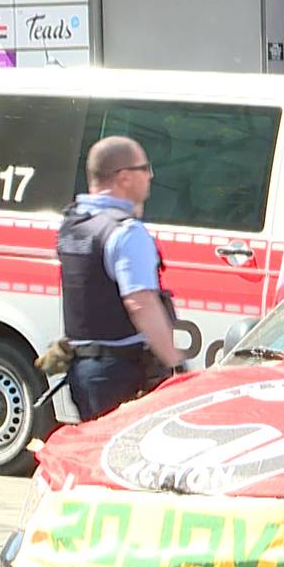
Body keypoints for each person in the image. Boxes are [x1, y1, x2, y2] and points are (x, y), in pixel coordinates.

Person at [56, 136, 185, 421]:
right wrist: (174, 363)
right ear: (124, 177)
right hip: (123, 373)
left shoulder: (74, 224)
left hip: (84, 370)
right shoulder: (126, 232)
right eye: (144, 168)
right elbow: (141, 303)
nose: (150, 175)